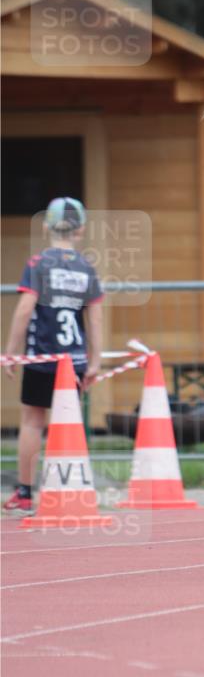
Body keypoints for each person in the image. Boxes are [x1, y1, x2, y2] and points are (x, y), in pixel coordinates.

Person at [3, 196, 103, 516]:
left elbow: (24, 309)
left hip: (42, 357)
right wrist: (95, 361)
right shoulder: (86, 268)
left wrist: (11, 351)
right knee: (67, 423)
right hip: (73, 361)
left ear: (46, 227)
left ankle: (25, 493)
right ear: (81, 229)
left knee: (32, 422)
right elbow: (95, 319)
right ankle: (68, 492)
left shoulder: (38, 264)